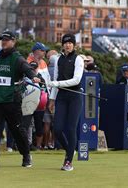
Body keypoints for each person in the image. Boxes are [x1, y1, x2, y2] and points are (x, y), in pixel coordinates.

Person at [0, 31, 40, 168]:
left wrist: (32, 76)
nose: (4, 42)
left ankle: (26, 154)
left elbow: (26, 68)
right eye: (2, 39)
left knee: (17, 130)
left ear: (13, 41)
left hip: (11, 100)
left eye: (7, 39)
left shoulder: (17, 57)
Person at [47, 34, 85, 171]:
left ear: (74, 45)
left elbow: (76, 80)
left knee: (70, 128)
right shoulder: (58, 60)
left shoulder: (78, 59)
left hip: (75, 96)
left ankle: (68, 161)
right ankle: (70, 148)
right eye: (65, 42)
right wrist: (52, 99)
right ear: (62, 45)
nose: (68, 45)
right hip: (62, 96)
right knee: (57, 129)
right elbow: (56, 78)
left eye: (70, 43)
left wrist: (56, 83)